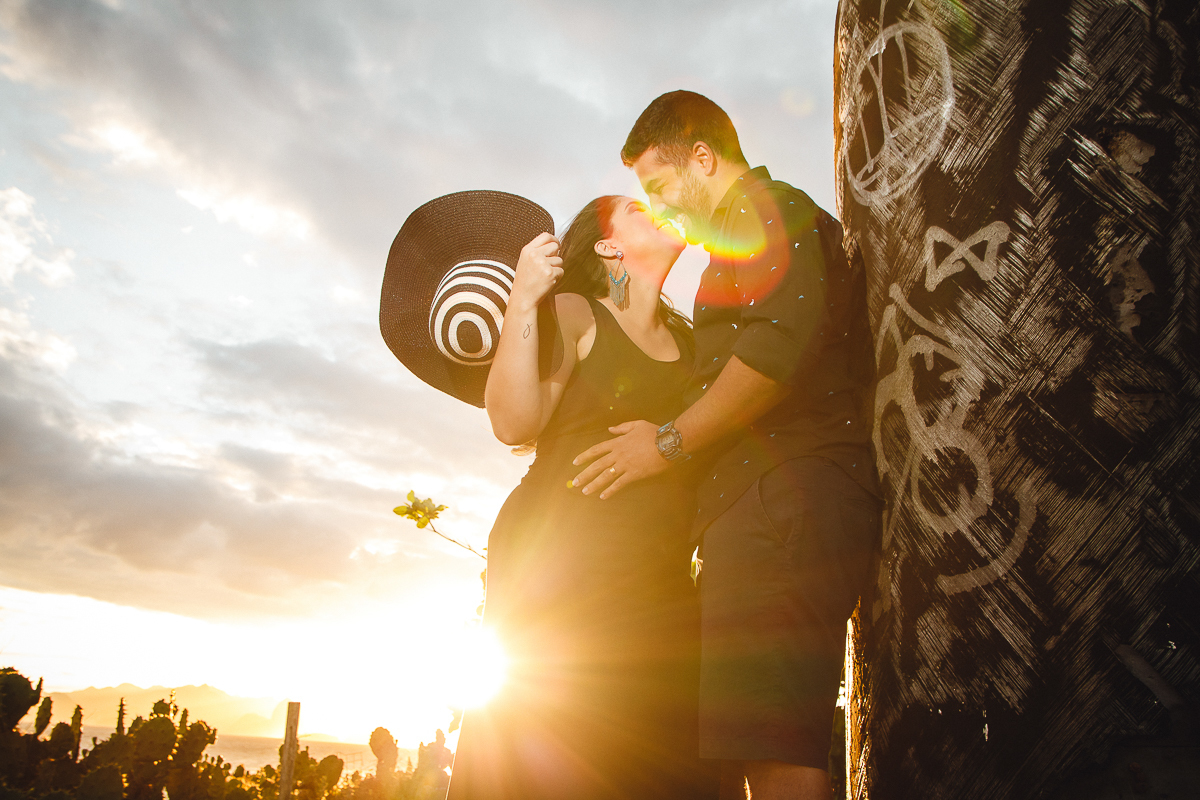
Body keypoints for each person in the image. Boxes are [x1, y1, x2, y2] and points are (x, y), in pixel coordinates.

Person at [571, 91, 882, 800]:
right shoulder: (744, 235)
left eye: (657, 185)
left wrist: (668, 445)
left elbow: (778, 349)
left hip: (785, 502)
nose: (658, 206)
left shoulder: (769, 207)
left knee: (776, 750)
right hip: (766, 511)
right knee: (755, 748)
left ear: (703, 158)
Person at [446, 195, 719, 800]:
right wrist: (523, 297)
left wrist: (666, 443)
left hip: (658, 582)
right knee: (551, 758)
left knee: (660, 760)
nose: (659, 210)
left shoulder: (693, 342)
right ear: (607, 245)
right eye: (636, 209)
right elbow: (515, 423)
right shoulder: (576, 313)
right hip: (557, 574)